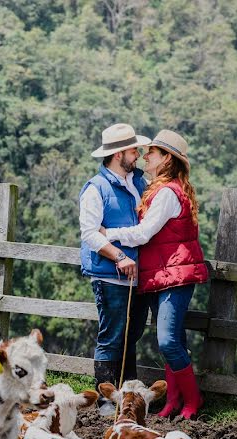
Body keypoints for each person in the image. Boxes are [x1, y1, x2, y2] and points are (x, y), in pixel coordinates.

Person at [100, 130, 209, 419]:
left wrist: (107, 233)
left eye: (153, 152)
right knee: (174, 341)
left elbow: (143, 234)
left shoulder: (166, 194)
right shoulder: (158, 188)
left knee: (168, 341)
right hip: (162, 274)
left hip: (174, 275)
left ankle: (193, 400)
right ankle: (174, 401)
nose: (146, 156)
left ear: (166, 159)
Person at [79, 123, 151, 416]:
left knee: (131, 335)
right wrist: (120, 256)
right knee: (112, 337)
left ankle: (127, 399)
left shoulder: (140, 184)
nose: (138, 153)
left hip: (138, 276)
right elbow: (90, 233)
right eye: (134, 149)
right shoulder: (96, 189)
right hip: (111, 275)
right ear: (120, 153)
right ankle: (107, 402)